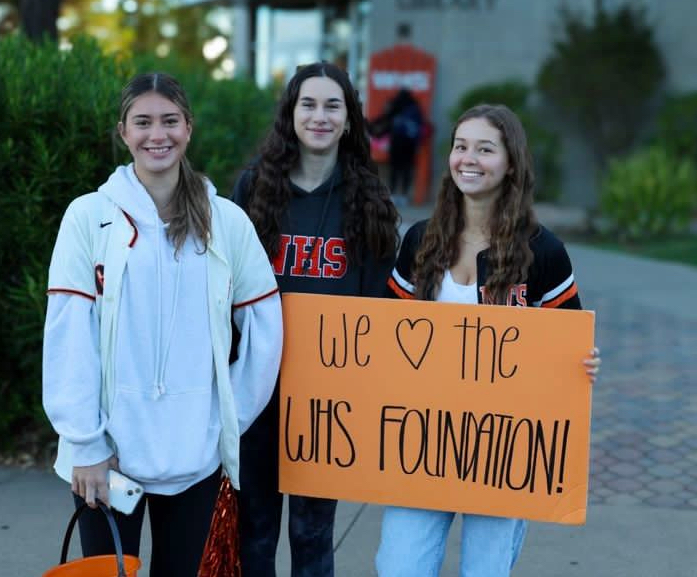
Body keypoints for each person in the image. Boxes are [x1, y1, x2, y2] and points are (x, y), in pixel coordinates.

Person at [42, 71, 283, 577]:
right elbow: (69, 337)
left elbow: (263, 322)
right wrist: (84, 444)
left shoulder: (225, 221)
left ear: (189, 128)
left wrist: (228, 417)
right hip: (108, 459)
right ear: (123, 131)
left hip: (195, 453)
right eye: (144, 122)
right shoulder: (88, 218)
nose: (159, 134)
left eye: (170, 121)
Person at [377, 103, 601, 577]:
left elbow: (566, 343)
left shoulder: (544, 252)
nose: (469, 159)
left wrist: (582, 364)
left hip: (500, 448)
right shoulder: (420, 240)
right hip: (421, 442)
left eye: (485, 149)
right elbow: (385, 334)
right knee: (400, 567)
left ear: (511, 163)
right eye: (461, 147)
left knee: (484, 571)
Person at [231, 61, 400, 576]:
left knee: (311, 537)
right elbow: (223, 294)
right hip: (256, 392)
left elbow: (379, 311)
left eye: (333, 105)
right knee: (254, 534)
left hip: (327, 401)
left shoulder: (369, 200)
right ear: (291, 112)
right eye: (309, 104)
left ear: (349, 119)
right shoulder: (252, 188)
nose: (320, 116)